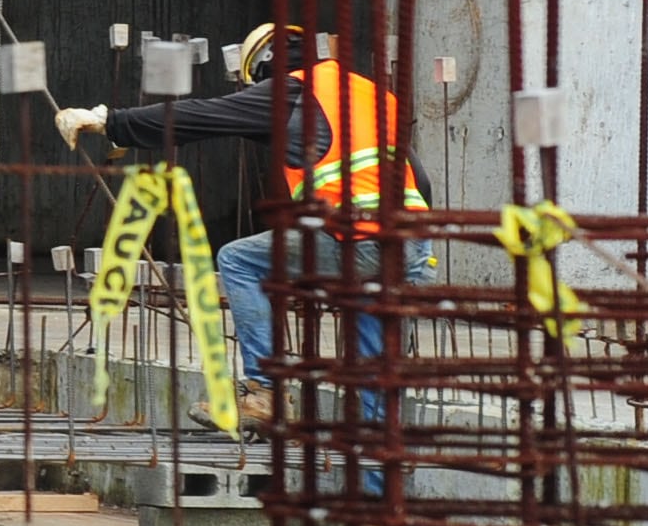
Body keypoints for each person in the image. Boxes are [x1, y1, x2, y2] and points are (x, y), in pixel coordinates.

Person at [56, 23, 437, 421]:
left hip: (360, 240)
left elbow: (204, 116)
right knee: (374, 378)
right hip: (408, 243)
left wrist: (111, 122)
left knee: (240, 260)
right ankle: (377, 457)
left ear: (266, 65)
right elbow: (418, 177)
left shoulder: (292, 91)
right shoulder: (367, 92)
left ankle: (268, 390)